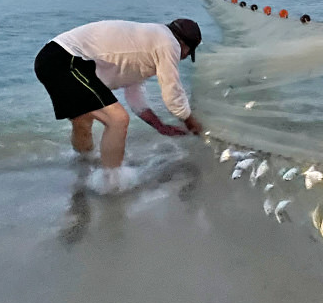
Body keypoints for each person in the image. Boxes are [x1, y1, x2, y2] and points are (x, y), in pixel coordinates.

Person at [34, 18, 205, 188]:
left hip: (53, 57)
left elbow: (134, 94)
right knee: (118, 119)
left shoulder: (150, 42)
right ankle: (112, 184)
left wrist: (159, 126)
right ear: (184, 44)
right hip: (65, 60)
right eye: (188, 53)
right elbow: (173, 91)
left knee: (83, 119)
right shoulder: (169, 42)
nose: (183, 57)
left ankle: (83, 163)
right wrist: (189, 120)